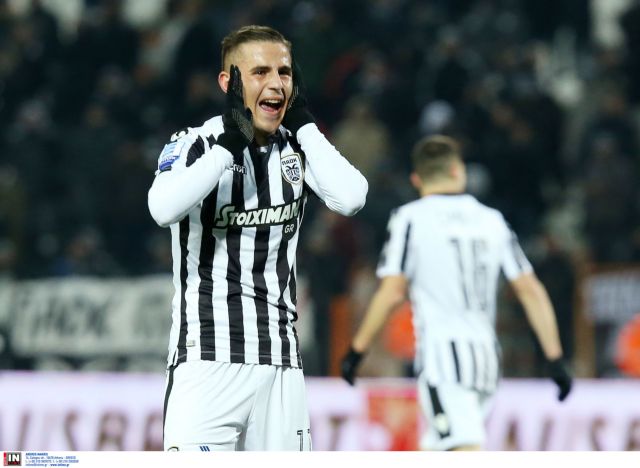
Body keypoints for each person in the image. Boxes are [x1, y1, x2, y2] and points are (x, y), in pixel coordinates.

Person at [147, 25, 368, 451]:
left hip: (281, 364)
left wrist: (306, 126)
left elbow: (352, 197)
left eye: (284, 72)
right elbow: (162, 208)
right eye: (260, 72)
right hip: (207, 360)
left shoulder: (297, 148)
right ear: (228, 83)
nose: (276, 83)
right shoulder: (197, 144)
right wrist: (228, 146)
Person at [340, 135, 571, 451]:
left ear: (416, 179)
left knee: (464, 450)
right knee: (439, 447)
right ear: (457, 171)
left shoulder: (410, 218)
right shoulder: (492, 220)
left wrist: (357, 350)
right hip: (486, 360)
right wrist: (555, 358)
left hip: (443, 361)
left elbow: (392, 292)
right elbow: (530, 289)